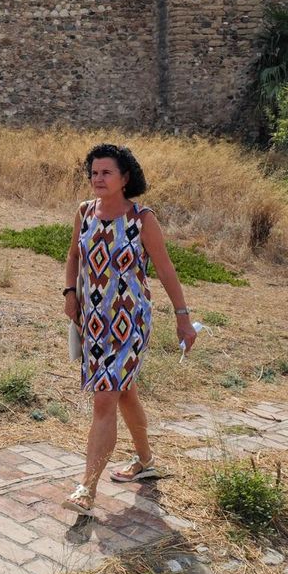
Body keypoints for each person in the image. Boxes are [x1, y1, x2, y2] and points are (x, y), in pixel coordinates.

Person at [61, 143, 197, 515]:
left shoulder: (142, 219)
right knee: (124, 394)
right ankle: (146, 461)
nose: (98, 178)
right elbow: (74, 255)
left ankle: (86, 489)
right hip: (91, 321)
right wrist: (70, 292)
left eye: (106, 172)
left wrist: (182, 316)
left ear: (125, 178)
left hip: (129, 322)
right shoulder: (84, 213)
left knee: (105, 397)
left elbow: (166, 270)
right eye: (93, 172)